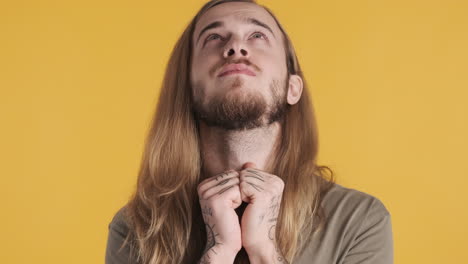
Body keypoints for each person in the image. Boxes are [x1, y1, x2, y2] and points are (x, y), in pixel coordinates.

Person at [105, 0, 394, 263]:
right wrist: (217, 253)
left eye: (258, 36)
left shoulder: (357, 220)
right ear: (188, 89)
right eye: (214, 37)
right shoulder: (136, 227)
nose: (235, 48)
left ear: (292, 89)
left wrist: (264, 252)